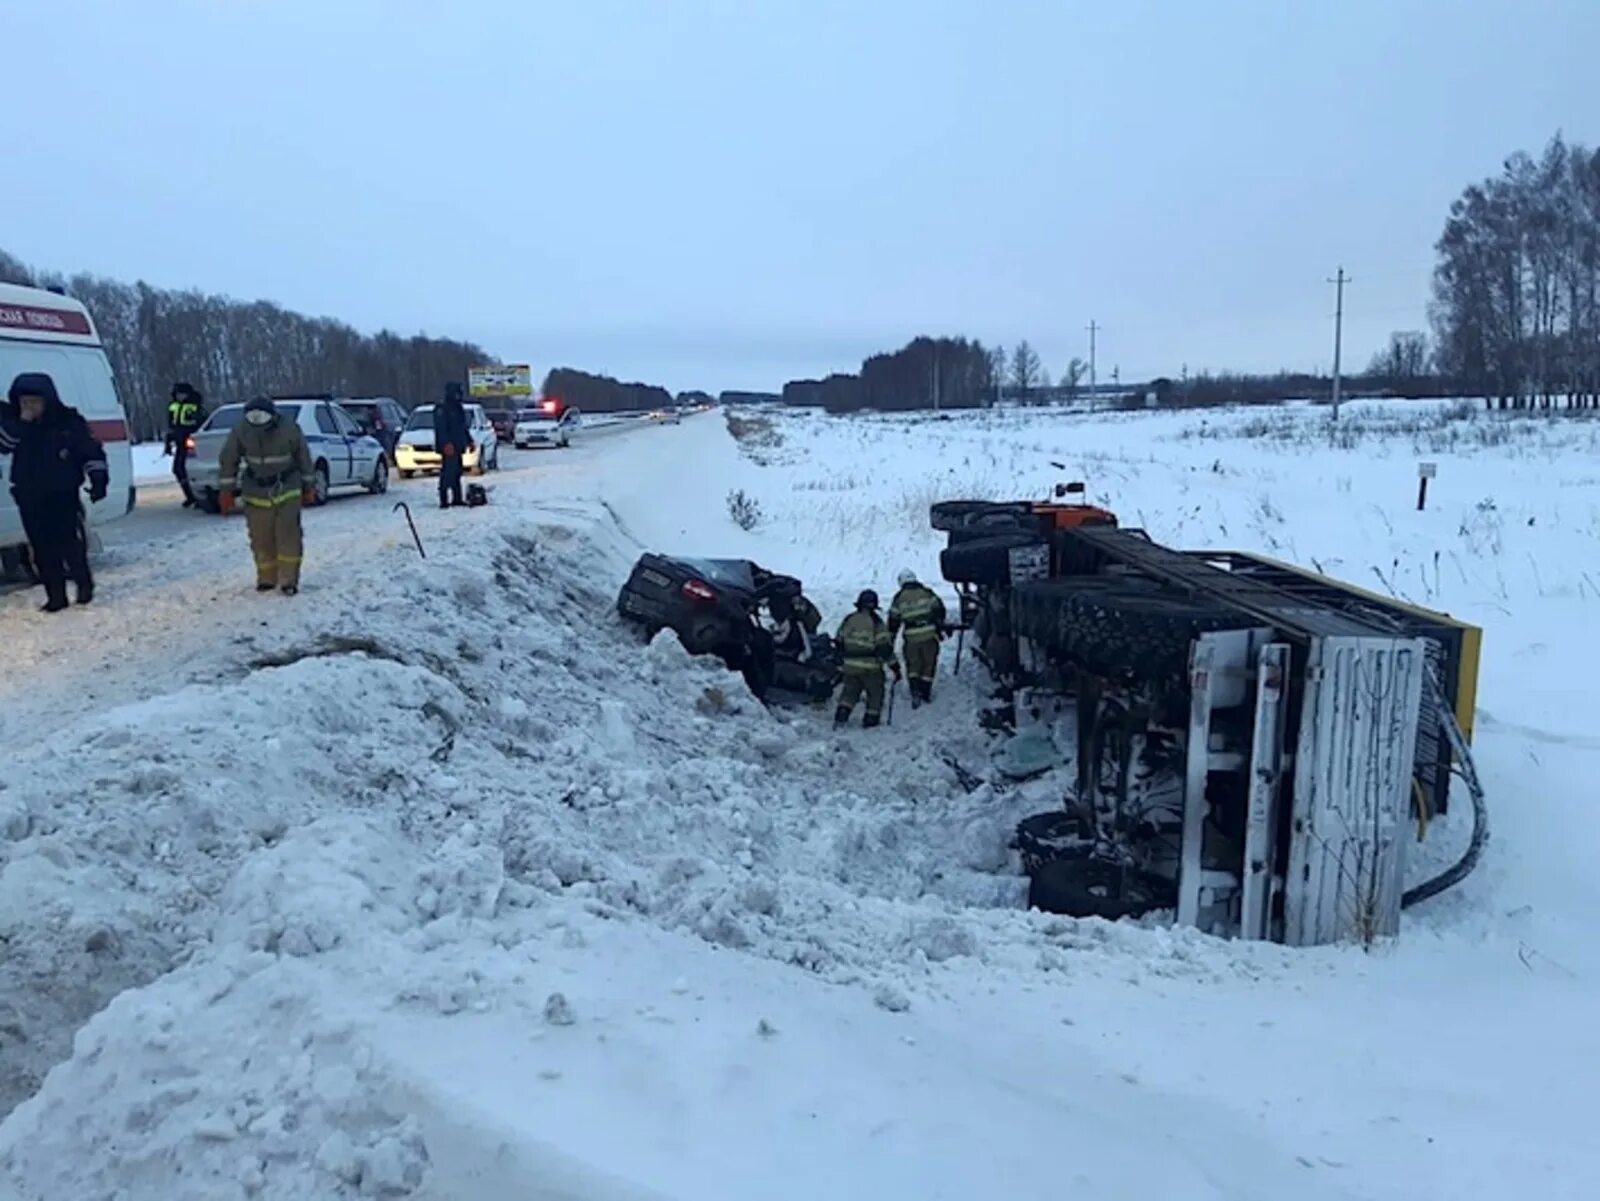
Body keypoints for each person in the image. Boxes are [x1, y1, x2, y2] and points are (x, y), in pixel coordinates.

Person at [0, 372, 109, 612]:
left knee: (68, 543)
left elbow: (90, 451)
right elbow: (4, 445)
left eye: (34, 402)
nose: (29, 407)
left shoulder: (67, 421)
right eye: (24, 402)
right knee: (41, 548)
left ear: (47, 400)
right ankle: (56, 596)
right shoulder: (14, 424)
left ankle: (83, 584)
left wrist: (98, 478)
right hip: (29, 493)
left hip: (62, 492)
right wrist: (22, 422)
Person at [217, 395, 315, 595]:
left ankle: (289, 580)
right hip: (255, 491)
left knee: (288, 535)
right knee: (261, 537)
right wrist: (226, 490)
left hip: (287, 487)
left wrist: (309, 486)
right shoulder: (241, 430)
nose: (257, 421)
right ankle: (267, 578)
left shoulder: (289, 429)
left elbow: (303, 457)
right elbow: (229, 459)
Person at [834, 589, 900, 729]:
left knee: (849, 692)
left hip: (850, 665)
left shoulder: (849, 619)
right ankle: (871, 721)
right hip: (871, 667)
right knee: (875, 693)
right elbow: (884, 648)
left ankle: (841, 716)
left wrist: (840, 661)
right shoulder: (877, 623)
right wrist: (895, 667)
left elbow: (839, 640)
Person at [888, 568, 948, 707]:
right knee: (929, 663)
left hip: (911, 637)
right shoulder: (927, 593)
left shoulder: (899, 598)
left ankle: (915, 689)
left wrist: (891, 638)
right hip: (929, 634)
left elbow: (893, 620)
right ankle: (925, 691)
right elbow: (939, 609)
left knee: (913, 663)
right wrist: (939, 626)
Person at [164, 381, 206, 508]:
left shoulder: (195, 406)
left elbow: (201, 425)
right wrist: (168, 442)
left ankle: (198, 496)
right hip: (179, 442)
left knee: (192, 470)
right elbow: (172, 426)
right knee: (178, 470)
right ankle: (190, 496)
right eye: (177, 394)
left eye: (181, 394)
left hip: (192, 443)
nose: (179, 396)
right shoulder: (173, 406)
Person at [433, 381, 471, 509]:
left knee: (457, 472)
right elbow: (441, 429)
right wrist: (446, 444)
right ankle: (443, 500)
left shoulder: (458, 408)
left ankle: (457, 498)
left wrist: (469, 440)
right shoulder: (442, 409)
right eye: (457, 393)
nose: (459, 396)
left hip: (458, 445)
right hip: (449, 447)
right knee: (447, 473)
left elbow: (462, 427)